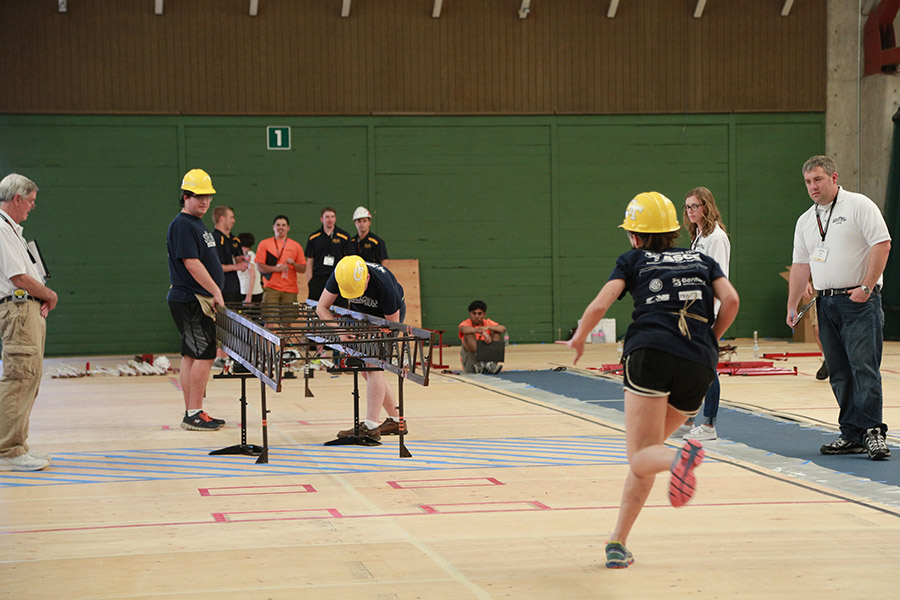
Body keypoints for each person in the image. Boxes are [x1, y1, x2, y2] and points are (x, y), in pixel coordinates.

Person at [557, 191, 739, 569]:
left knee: (644, 455)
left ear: (635, 236)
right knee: (646, 455)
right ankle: (618, 543)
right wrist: (711, 340)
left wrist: (578, 339)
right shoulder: (702, 258)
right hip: (699, 364)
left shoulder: (632, 260)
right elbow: (732, 301)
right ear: (673, 230)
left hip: (649, 354)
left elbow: (599, 305)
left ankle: (680, 457)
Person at [787, 155, 891, 461]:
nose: (812, 187)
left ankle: (872, 431)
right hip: (825, 302)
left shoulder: (859, 206)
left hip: (858, 302)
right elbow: (801, 263)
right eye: (808, 182)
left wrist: (867, 287)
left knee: (864, 369)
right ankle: (851, 433)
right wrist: (793, 304)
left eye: (818, 180)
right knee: (839, 373)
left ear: (833, 178)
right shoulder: (806, 220)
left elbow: (882, 244)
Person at [0, 174, 59, 472]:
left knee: (28, 379)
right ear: (17, 199)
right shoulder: (1, 228)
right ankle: (8, 450)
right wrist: (50, 294)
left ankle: (17, 445)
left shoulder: (12, 230)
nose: (32, 208)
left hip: (26, 311)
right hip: (17, 310)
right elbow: (18, 278)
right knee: (19, 378)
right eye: (31, 201)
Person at [316, 256, 407, 440]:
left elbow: (394, 325)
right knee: (367, 371)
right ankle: (396, 420)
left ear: (366, 278)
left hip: (387, 317)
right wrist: (340, 332)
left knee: (373, 367)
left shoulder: (384, 285)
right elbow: (321, 307)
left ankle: (371, 426)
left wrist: (384, 350)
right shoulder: (341, 273)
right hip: (362, 315)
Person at [166, 169, 226, 431]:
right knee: (204, 354)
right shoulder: (182, 225)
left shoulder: (196, 224)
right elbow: (191, 264)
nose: (204, 202)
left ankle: (193, 410)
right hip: (191, 298)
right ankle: (194, 412)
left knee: (192, 356)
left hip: (193, 298)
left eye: (208, 197)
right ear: (186, 196)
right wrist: (216, 291)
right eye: (199, 196)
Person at [680, 187, 731, 442]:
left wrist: (713, 314)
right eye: (687, 207)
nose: (690, 211)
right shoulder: (698, 236)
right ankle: (689, 419)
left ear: (706, 207)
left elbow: (718, 278)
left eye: (694, 206)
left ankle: (709, 425)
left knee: (706, 366)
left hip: (707, 311)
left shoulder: (716, 238)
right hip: (693, 309)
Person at [255, 215, 306, 304]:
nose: (280, 227)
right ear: (273, 227)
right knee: (269, 317)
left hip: (290, 290)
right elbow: (259, 266)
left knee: (290, 317)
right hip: (270, 288)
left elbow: (303, 269)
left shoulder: (296, 246)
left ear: (288, 228)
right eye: (278, 225)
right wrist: (277, 269)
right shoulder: (264, 244)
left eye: (283, 225)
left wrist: (294, 264)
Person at [305, 207, 350, 306]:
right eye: (327, 217)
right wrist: (310, 280)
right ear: (322, 219)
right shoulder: (313, 238)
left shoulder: (344, 237)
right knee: (315, 310)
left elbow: (348, 260)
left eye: (332, 217)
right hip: (318, 279)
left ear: (335, 218)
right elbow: (310, 261)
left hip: (338, 278)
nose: (330, 220)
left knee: (341, 310)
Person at [458, 300, 507, 374]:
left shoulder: (488, 322)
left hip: (487, 359)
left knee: (497, 333)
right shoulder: (466, 323)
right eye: (474, 313)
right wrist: (480, 331)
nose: (477, 316)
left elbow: (503, 328)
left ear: (484, 314)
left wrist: (488, 328)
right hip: (472, 362)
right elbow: (463, 329)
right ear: (470, 314)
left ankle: (491, 364)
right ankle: (478, 364)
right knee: (468, 334)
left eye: (479, 314)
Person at [212, 205, 247, 304]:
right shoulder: (215, 239)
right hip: (221, 288)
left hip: (235, 287)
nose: (233, 221)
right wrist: (236, 266)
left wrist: (240, 260)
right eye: (231, 217)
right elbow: (217, 267)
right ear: (222, 218)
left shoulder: (234, 240)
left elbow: (235, 259)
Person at [236, 232, 263, 303]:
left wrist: (249, 296)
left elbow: (252, 276)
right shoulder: (245, 255)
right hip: (246, 292)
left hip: (252, 294)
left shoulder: (249, 256)